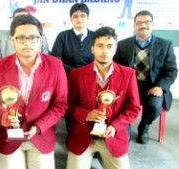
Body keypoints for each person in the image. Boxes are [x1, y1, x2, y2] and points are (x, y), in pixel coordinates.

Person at [0, 15, 68, 169]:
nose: (27, 42)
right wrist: (3, 116)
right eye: (21, 38)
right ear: (12, 40)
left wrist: (39, 126)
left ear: (41, 40)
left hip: (41, 135)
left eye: (33, 37)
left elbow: (60, 104)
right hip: (9, 137)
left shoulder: (55, 65)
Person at [66, 27, 140, 169]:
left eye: (109, 46)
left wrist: (115, 126)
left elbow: (134, 108)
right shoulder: (76, 74)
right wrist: (86, 114)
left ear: (115, 49)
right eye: (100, 46)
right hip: (82, 137)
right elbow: (67, 105)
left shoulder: (128, 74)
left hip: (113, 137)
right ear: (92, 49)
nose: (105, 51)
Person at [114, 10, 178, 144]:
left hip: (153, 86)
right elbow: (116, 67)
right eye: (139, 23)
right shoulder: (123, 44)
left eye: (147, 22)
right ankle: (125, 127)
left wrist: (160, 86)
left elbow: (171, 70)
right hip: (130, 86)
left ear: (153, 24)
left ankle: (144, 127)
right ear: (134, 26)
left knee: (154, 106)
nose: (143, 25)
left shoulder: (165, 45)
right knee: (117, 101)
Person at [51, 3, 94, 76]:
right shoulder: (63, 36)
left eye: (82, 16)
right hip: (67, 76)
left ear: (88, 18)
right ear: (71, 19)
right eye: (75, 16)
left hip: (90, 76)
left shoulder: (95, 36)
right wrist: (75, 72)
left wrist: (85, 72)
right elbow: (56, 60)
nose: (79, 19)